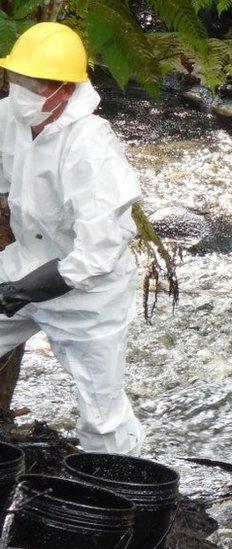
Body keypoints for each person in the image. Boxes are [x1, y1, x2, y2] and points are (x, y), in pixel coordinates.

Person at [0, 22, 144, 454]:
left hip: (89, 294)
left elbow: (98, 252)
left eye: (32, 85)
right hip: (25, 259)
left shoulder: (91, 148)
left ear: (64, 90)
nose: (20, 91)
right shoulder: (12, 115)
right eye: (16, 79)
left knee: (101, 416)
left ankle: (121, 492)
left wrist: (22, 292)